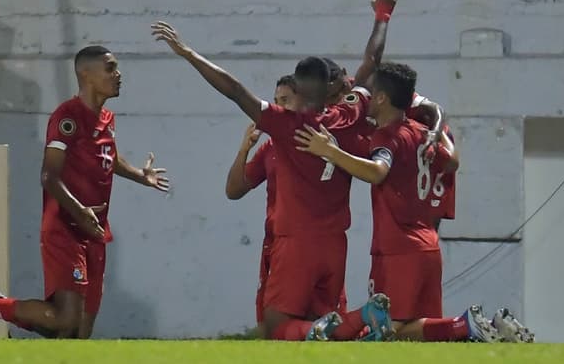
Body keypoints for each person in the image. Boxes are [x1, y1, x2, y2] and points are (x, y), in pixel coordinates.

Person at [152, 25, 389, 341]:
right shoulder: (347, 114)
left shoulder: (287, 125)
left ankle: (361, 316)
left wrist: (189, 53)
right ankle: (363, 326)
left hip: (296, 242)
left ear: (300, 90)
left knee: (276, 327)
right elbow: (370, 63)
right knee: (321, 326)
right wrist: (382, 15)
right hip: (334, 243)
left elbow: (235, 90)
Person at [296, 62, 529, 343]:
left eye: (371, 93)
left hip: (397, 249)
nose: (365, 99)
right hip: (428, 246)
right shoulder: (421, 132)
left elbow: (377, 171)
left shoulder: (386, 136)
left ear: (381, 97)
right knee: (422, 333)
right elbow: (453, 161)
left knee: (388, 330)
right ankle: (492, 326)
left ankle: (464, 326)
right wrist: (436, 132)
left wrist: (331, 151)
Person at [0, 46, 170, 339]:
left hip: (95, 230)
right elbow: (49, 176)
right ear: (86, 74)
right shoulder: (66, 116)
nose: (118, 75)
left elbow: (108, 156)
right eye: (110, 68)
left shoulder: (106, 118)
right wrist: (79, 211)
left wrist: (139, 175)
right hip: (65, 228)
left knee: (79, 334)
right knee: (66, 321)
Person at [225, 76, 297, 336]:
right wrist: (244, 148)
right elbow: (233, 190)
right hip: (275, 244)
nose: (279, 108)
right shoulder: (270, 147)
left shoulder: (317, 142)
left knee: (283, 326)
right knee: (273, 326)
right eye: (276, 102)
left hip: (308, 244)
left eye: (286, 101)